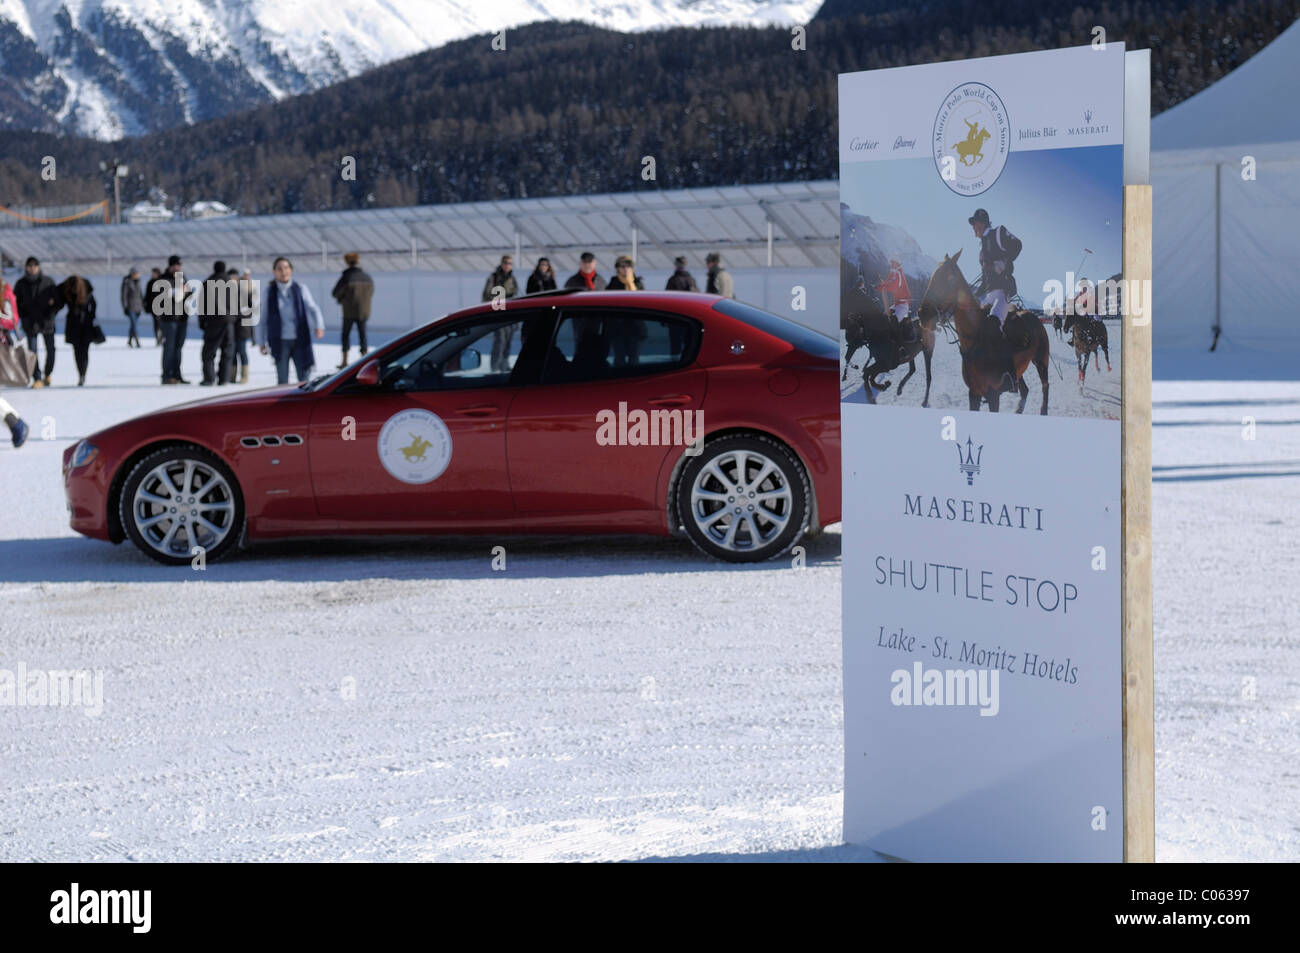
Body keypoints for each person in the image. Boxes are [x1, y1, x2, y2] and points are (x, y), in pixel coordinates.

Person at [968, 207, 1022, 391]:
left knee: (992, 325)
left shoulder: (999, 232)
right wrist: (972, 295)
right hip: (988, 295)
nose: (973, 227)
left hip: (1002, 293)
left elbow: (1017, 245)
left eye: (975, 224)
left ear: (982, 222)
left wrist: (1003, 262)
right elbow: (984, 281)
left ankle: (1010, 376)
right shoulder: (981, 250)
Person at [258, 257, 324, 385]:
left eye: (286, 268)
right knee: (282, 380)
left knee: (304, 378)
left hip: (300, 339)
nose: (284, 271)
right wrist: (261, 342)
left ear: (291, 270)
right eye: (279, 269)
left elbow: (313, 308)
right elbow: (263, 318)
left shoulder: (300, 288)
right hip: (280, 341)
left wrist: (319, 326)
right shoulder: (269, 292)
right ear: (274, 272)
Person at [152, 255, 198, 384]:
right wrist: (175, 293)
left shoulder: (182, 278)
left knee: (178, 347)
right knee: (169, 347)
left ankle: (177, 375)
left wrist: (187, 291)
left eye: (180, 265)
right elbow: (158, 296)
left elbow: (189, 292)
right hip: (169, 318)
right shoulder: (163, 279)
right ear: (171, 266)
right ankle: (167, 375)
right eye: (177, 265)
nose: (179, 268)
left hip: (182, 318)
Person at [14, 257, 58, 387]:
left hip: (47, 322)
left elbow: (57, 301)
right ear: (26, 267)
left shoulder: (48, 282)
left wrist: (50, 314)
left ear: (38, 267)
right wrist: (24, 316)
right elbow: (15, 303)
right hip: (30, 323)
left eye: (35, 265)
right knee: (32, 352)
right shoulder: (21, 284)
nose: (32, 268)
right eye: (30, 265)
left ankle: (47, 374)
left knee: (51, 350)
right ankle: (37, 378)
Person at [52, 276, 98, 387]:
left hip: (85, 324)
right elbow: (59, 303)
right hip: (74, 324)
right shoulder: (67, 291)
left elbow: (93, 305)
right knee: (78, 350)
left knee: (84, 350)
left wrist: (91, 317)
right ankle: (81, 373)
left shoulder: (86, 291)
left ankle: (83, 373)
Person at [331, 251, 374, 368]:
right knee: (363, 335)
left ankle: (345, 361)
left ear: (347, 262)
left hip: (348, 311)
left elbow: (335, 293)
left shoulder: (347, 277)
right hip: (363, 311)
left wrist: (342, 299)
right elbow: (371, 293)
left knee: (345, 335)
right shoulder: (367, 277)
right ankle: (365, 359)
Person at [199, 260, 238, 386]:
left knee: (208, 352)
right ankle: (224, 379)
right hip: (229, 322)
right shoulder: (231, 283)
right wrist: (234, 319)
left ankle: (209, 378)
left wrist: (202, 322)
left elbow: (202, 305)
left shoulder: (207, 283)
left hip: (213, 321)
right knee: (227, 351)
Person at [481, 254, 519, 373]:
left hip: (509, 314)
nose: (508, 266)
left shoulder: (512, 278)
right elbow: (487, 295)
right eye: (506, 263)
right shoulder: (494, 278)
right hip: (498, 313)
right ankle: (495, 367)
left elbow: (517, 295)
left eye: (510, 263)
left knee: (507, 341)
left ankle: (504, 365)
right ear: (502, 264)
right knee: (500, 341)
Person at [233, 270, 255, 383]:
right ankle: (232, 375)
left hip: (242, 328)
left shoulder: (246, 293)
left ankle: (244, 376)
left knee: (241, 351)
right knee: (233, 351)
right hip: (235, 327)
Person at [120, 267, 143, 347]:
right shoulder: (127, 282)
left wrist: (142, 304)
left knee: (133, 325)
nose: (138, 275)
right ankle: (137, 341)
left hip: (138, 307)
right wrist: (125, 307)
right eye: (136, 273)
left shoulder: (138, 282)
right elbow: (124, 296)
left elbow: (140, 294)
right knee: (134, 324)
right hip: (130, 307)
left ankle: (129, 340)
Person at [142, 267, 163, 345]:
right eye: (152, 273)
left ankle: (162, 337)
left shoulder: (162, 282)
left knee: (162, 323)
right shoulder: (150, 283)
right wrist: (145, 305)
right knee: (156, 323)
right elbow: (147, 295)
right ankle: (158, 338)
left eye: (154, 273)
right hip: (153, 307)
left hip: (162, 307)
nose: (153, 275)